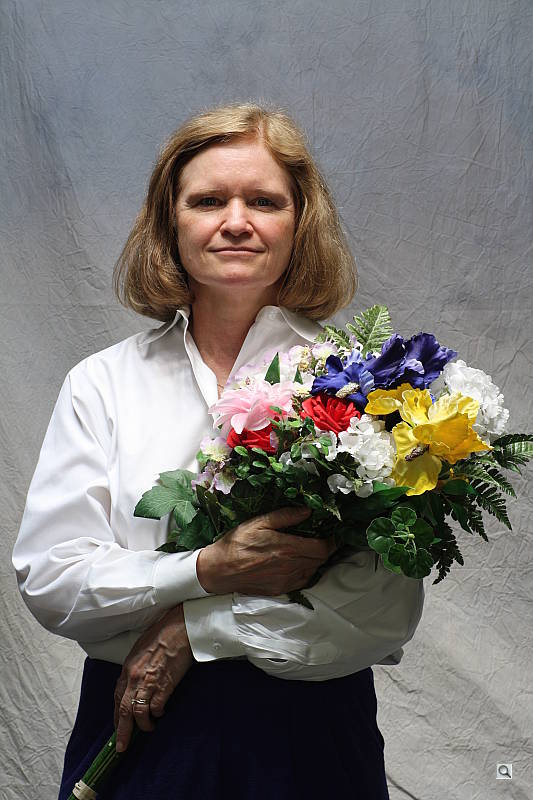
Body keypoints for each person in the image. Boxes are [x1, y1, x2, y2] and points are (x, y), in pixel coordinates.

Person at [13, 102, 424, 800]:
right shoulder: (103, 383)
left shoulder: (363, 385)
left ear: (300, 222)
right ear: (170, 222)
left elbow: (383, 610)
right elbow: (53, 579)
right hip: (138, 723)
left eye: (263, 201)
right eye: (207, 201)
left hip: (312, 736)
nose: (236, 221)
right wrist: (206, 569)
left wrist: (195, 628)